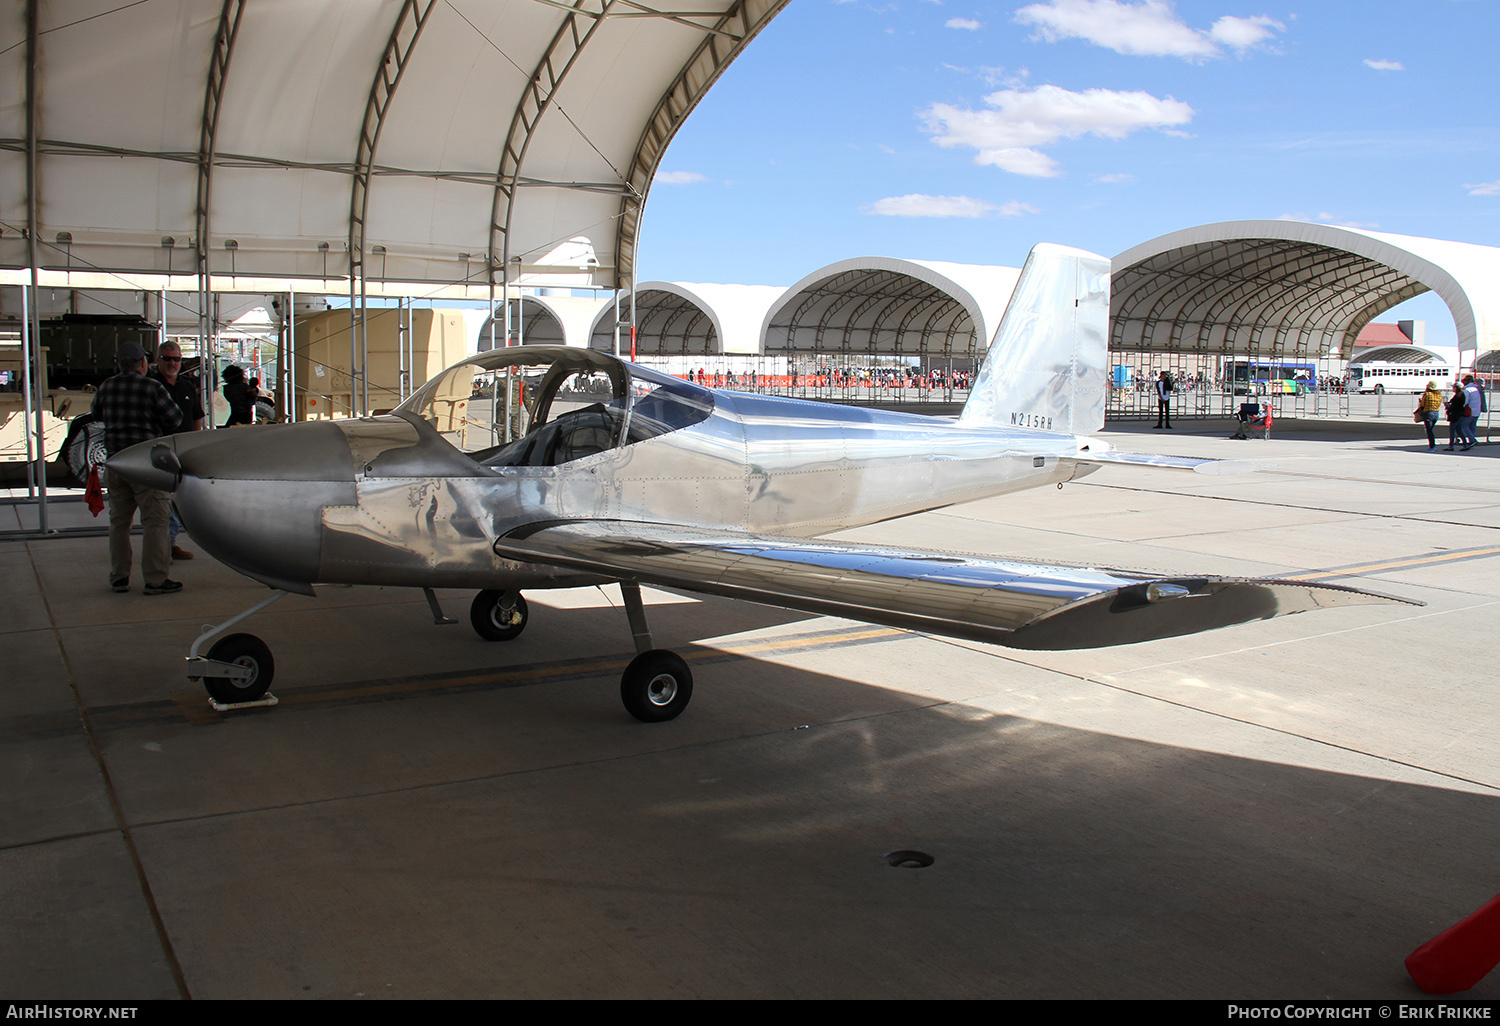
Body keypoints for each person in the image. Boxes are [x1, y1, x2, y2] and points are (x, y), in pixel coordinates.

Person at [91, 342, 183, 594]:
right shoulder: (152, 387)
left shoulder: (107, 386)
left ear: (120, 364)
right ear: (143, 363)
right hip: (146, 466)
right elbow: (175, 419)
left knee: (119, 523)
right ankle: (155, 579)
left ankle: (119, 577)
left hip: (116, 463)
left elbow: (96, 414)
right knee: (155, 522)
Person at [149, 341, 204, 559]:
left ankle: (170, 543)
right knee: (161, 503)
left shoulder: (186, 385)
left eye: (176, 359)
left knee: (179, 500)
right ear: (158, 360)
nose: (172, 363)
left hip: (184, 451)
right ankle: (165, 546)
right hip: (160, 453)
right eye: (167, 358)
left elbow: (197, 416)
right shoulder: (151, 385)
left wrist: (196, 443)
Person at [1416, 380, 1444, 451]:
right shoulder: (1438, 395)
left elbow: (1423, 404)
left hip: (1428, 413)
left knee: (1429, 431)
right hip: (1436, 413)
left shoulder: (1427, 394)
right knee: (1430, 429)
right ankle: (1432, 445)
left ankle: (1432, 446)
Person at [1461, 375, 1484, 451]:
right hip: (1477, 411)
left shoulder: (1467, 390)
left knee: (1464, 425)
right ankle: (1472, 441)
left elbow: (1465, 401)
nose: (1464, 382)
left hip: (1470, 411)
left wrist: (1462, 407)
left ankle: (1472, 440)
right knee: (1473, 426)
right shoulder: (1476, 389)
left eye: (1466, 381)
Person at [1444, 382, 1467, 451]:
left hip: (1456, 415)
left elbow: (1455, 406)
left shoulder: (1458, 396)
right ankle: (1465, 444)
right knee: (1459, 430)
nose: (1453, 388)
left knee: (1452, 430)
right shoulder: (1461, 395)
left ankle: (1451, 446)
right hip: (1460, 415)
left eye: (1454, 387)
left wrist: (1448, 406)